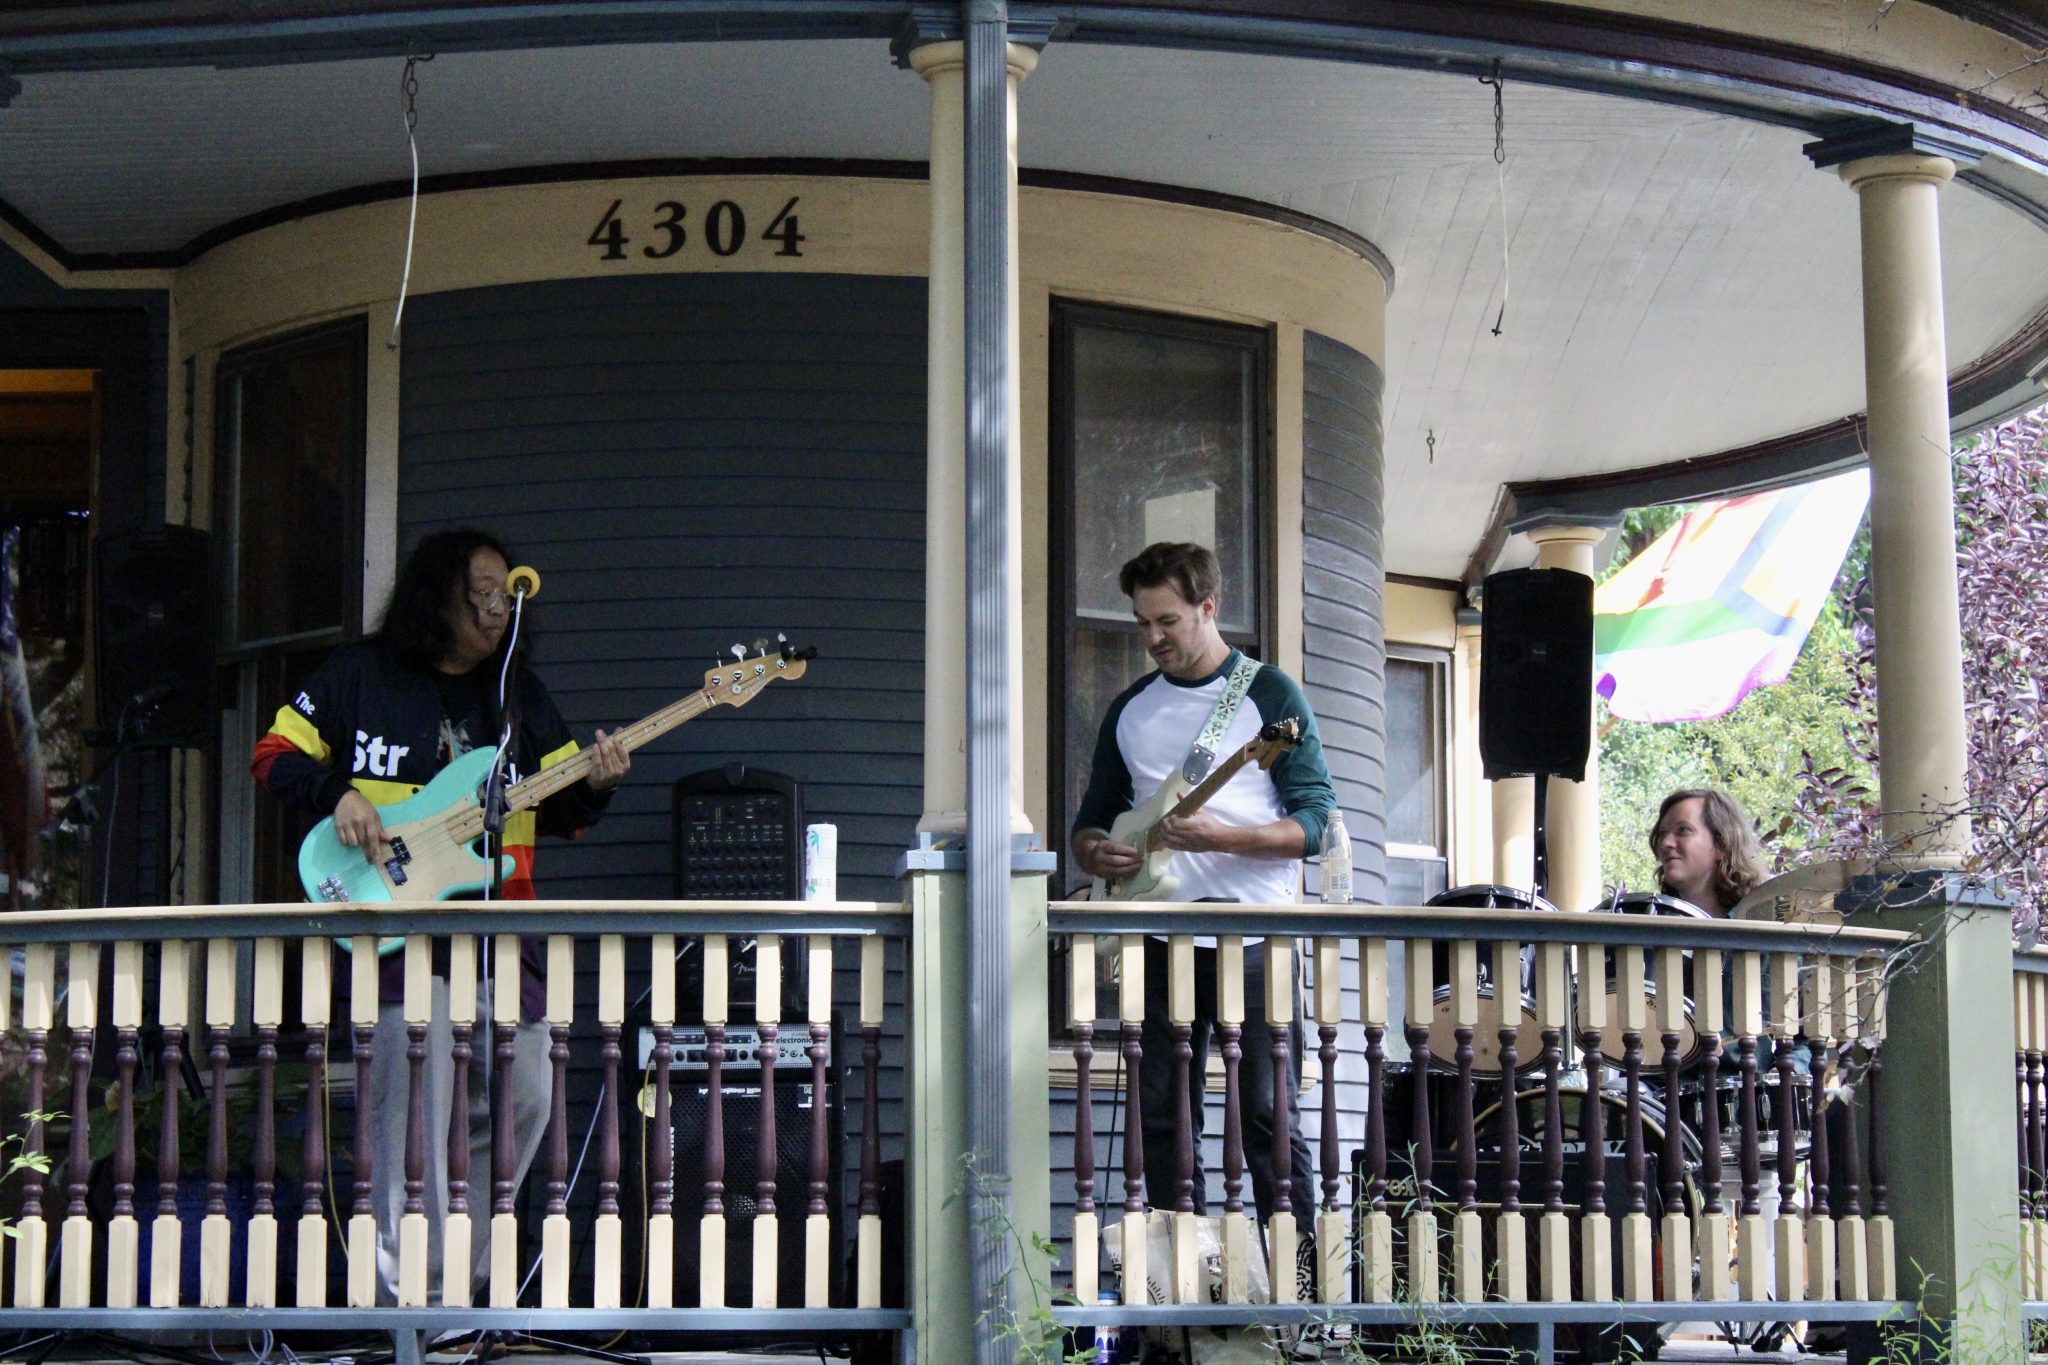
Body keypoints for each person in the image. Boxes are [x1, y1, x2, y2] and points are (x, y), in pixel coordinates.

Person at [251, 528, 630, 1303]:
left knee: (525, 1093)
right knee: (411, 1122)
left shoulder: (517, 697)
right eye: (483, 591)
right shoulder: (360, 675)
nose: (498, 609)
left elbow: (564, 810)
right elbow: (273, 754)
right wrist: (337, 794)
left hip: (504, 930)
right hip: (399, 935)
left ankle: (465, 1286)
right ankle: (406, 1305)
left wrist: (597, 779)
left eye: (507, 594)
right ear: (438, 596)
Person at [1071, 541, 1336, 1244]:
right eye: (1142, 623)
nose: (1152, 637)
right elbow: (1089, 823)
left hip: (1256, 942)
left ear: (1208, 607)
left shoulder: (1268, 698)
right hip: (1161, 940)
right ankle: (1174, 1304)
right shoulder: (1130, 710)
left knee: (1268, 1118)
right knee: (1161, 1116)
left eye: (1168, 620)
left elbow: (1316, 825)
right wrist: (1097, 850)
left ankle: (1301, 1292)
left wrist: (1227, 837)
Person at [1650, 786, 1769, 915]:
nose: (1665, 843)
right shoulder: (1648, 928)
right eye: (1662, 834)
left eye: (1683, 830)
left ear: (1721, 844)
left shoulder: (1764, 923)